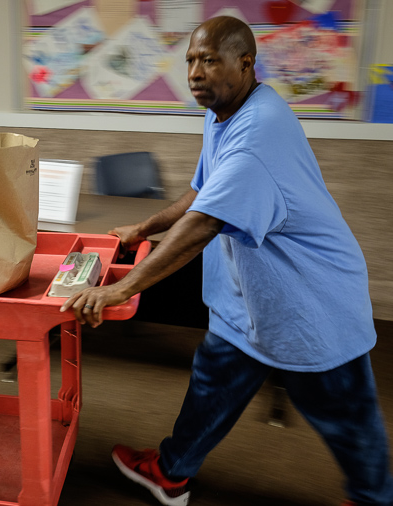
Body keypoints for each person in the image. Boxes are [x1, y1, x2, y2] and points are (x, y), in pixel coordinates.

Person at [60, 15, 393, 506]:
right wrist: (146, 227)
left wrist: (120, 289)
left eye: (209, 60)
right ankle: (172, 472)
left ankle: (374, 499)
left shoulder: (258, 134)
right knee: (211, 386)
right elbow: (201, 192)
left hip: (311, 305)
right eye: (191, 59)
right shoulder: (223, 114)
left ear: (246, 63)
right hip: (249, 302)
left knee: (346, 417)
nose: (194, 71)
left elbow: (203, 223)